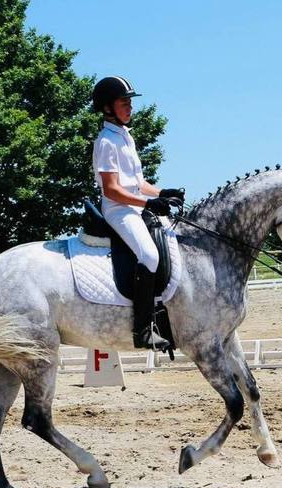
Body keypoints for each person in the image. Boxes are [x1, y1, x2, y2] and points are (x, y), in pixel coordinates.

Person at [91, 76, 184, 350]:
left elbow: (138, 183)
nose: (130, 107)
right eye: (124, 102)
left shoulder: (125, 136)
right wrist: (146, 204)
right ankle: (143, 329)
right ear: (108, 108)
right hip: (119, 210)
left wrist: (162, 193)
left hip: (134, 204)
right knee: (149, 255)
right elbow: (111, 190)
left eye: (130, 102)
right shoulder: (106, 141)